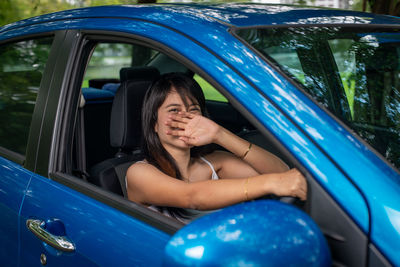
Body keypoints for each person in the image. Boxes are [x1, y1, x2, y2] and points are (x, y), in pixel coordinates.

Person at [126, 72, 307, 223]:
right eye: (174, 110)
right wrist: (271, 183)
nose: (187, 118)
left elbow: (280, 171)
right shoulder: (139, 173)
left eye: (193, 109)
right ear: (154, 125)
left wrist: (220, 135)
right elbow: (193, 197)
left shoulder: (215, 162)